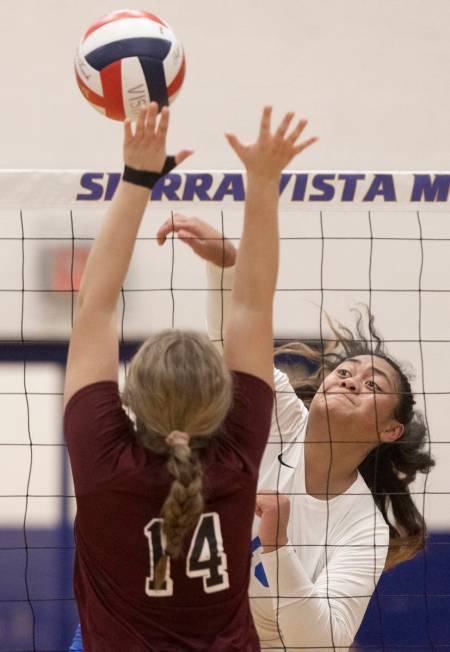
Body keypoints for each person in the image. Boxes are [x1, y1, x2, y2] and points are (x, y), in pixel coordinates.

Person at [64, 102, 317, 651]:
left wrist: (136, 177)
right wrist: (264, 181)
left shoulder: (104, 463)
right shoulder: (235, 457)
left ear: (128, 399)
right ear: (223, 400)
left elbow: (94, 309)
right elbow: (250, 307)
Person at [152, 214, 435, 651]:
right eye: (345, 370)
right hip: (179, 627)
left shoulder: (363, 528)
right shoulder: (279, 416)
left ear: (390, 429)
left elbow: (325, 642)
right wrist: (226, 266)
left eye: (373, 385)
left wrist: (278, 546)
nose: (351, 380)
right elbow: (233, 347)